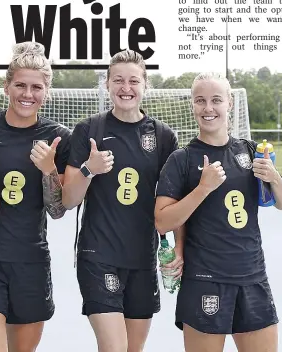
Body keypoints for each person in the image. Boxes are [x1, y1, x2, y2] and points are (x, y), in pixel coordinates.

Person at [154, 72, 282, 352]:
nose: (208, 108)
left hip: (252, 277)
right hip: (205, 280)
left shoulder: (250, 151)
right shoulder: (181, 160)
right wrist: (203, 188)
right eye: (200, 100)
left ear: (229, 103)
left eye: (216, 100)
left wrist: (274, 177)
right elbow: (162, 220)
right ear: (192, 105)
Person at [0, 41, 71, 352]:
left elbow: (58, 210)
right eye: (20, 85)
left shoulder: (58, 138)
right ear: (6, 86)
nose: (27, 94)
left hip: (30, 261)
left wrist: (49, 170)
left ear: (47, 91)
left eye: (36, 87)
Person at [62, 49, 183, 352]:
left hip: (142, 258)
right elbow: (68, 199)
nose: (125, 88)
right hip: (99, 255)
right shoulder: (89, 130)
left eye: (133, 81)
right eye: (118, 80)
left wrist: (180, 247)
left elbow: (173, 202)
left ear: (145, 85)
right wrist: (90, 169)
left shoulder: (163, 137)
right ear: (107, 83)